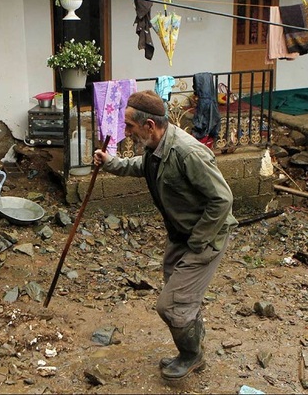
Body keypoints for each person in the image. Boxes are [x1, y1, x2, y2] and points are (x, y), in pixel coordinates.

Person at [93, 90, 238, 381]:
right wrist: (111, 162)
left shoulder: (188, 152)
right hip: (180, 235)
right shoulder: (155, 146)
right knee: (180, 297)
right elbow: (142, 167)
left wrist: (198, 242)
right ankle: (193, 343)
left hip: (204, 239)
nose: (127, 132)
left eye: (130, 127)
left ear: (149, 125)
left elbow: (222, 200)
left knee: (170, 305)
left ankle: (192, 355)